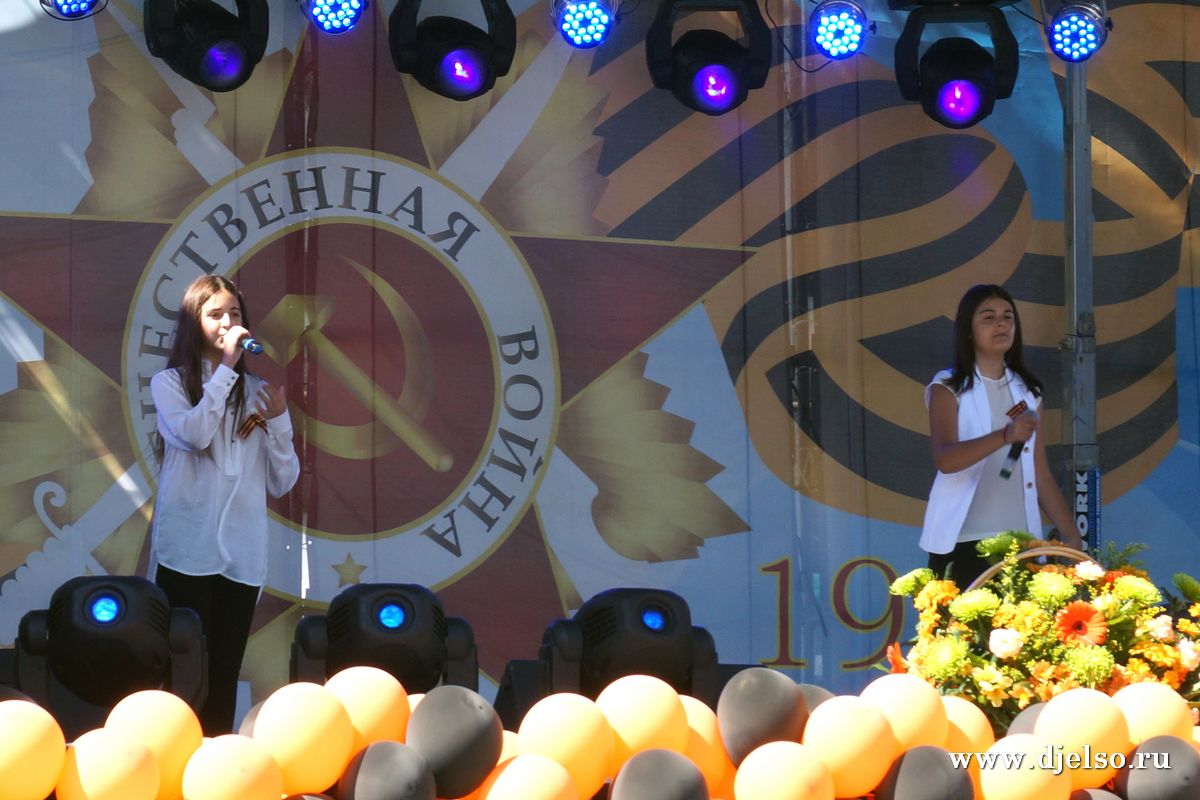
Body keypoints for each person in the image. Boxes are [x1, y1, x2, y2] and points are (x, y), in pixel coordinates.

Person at [149, 275, 300, 735]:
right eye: (215, 314)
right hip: (187, 551)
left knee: (223, 672)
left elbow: (283, 481)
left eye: (235, 313)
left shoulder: (257, 392)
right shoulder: (170, 383)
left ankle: (216, 759)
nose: (228, 322)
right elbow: (194, 434)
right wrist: (227, 369)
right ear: (193, 323)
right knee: (181, 669)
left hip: (241, 555)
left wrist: (280, 424)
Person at [920, 284, 1083, 589]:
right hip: (963, 540)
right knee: (962, 621)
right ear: (968, 331)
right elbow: (946, 460)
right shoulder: (948, 386)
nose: (1001, 324)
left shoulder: (1028, 391)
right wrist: (1005, 435)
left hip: (1021, 541)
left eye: (1008, 317)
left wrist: (1071, 534)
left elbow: (1040, 473)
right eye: (989, 317)